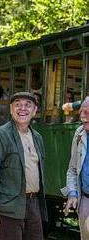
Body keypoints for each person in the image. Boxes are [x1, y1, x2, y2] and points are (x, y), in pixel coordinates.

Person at [0, 91, 48, 240]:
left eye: (27, 105)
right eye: (17, 105)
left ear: (35, 110)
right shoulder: (1, 135)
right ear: (11, 109)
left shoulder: (37, 137)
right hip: (9, 207)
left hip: (33, 204)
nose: (22, 109)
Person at [62, 97, 89, 239]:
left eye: (87, 113)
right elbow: (72, 169)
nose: (83, 116)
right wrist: (72, 193)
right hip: (86, 198)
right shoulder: (79, 133)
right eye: (81, 112)